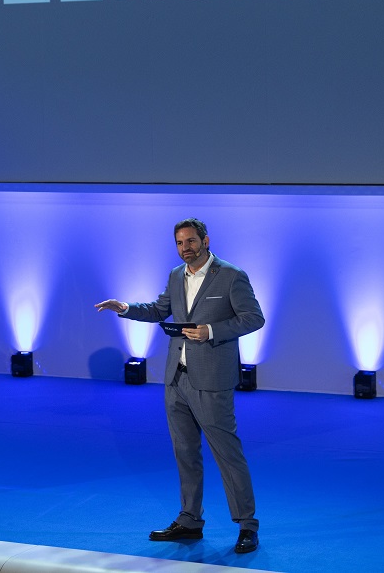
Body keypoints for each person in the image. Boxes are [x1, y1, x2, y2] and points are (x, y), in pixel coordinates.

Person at [95, 218, 264, 554]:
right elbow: (159, 310)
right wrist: (125, 308)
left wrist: (210, 331)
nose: (185, 248)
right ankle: (190, 520)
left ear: (205, 241)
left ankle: (247, 525)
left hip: (212, 380)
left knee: (227, 454)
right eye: (179, 243)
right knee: (185, 453)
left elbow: (253, 317)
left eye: (190, 241)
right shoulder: (176, 275)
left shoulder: (231, 275)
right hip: (176, 379)